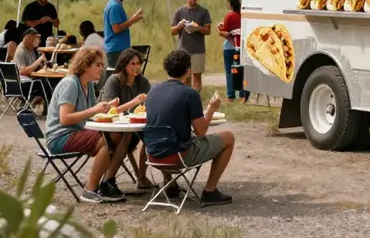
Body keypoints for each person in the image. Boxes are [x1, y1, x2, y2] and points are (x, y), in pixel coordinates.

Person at [145, 49, 234, 206]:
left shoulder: (152, 91)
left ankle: (170, 184)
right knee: (228, 137)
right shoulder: (190, 94)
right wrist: (212, 109)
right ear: (188, 70)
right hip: (178, 156)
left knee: (167, 137)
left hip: (153, 154)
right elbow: (200, 132)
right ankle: (210, 191)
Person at [44, 46, 131, 203]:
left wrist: (109, 107)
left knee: (118, 135)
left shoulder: (88, 84)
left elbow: (94, 113)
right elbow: (64, 119)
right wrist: (94, 110)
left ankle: (106, 183)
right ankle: (90, 189)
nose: (102, 68)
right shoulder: (70, 84)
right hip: (60, 136)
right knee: (108, 140)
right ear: (85, 66)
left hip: (75, 132)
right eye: (97, 65)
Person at [99, 48, 153, 191]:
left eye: (138, 63)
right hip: (113, 127)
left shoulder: (142, 81)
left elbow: (151, 103)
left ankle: (142, 177)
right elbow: (108, 110)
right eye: (132, 64)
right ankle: (109, 179)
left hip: (136, 124)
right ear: (124, 65)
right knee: (127, 136)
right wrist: (134, 101)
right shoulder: (114, 80)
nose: (136, 67)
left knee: (151, 135)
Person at [171, 0, 212, 92]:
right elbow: (172, 31)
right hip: (183, 49)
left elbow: (208, 31)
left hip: (198, 49)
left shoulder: (203, 11)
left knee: (197, 76)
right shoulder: (180, 11)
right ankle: (185, 97)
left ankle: (196, 97)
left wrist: (198, 28)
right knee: (184, 76)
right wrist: (179, 25)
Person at [103, 0, 143, 68]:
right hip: (116, 49)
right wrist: (133, 20)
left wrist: (133, 18)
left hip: (118, 49)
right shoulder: (114, 6)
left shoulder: (115, 4)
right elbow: (116, 29)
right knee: (119, 78)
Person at [217, 0, 248, 102]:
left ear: (230, 3)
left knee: (229, 71)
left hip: (230, 47)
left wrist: (219, 29)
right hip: (241, 47)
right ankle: (242, 94)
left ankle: (230, 95)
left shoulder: (229, 16)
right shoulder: (242, 16)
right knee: (241, 71)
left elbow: (225, 31)